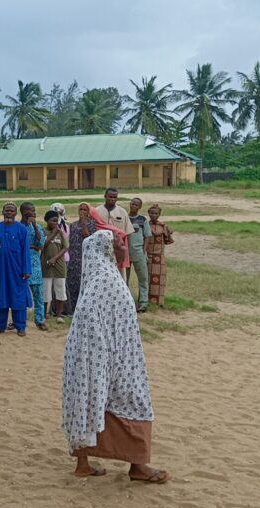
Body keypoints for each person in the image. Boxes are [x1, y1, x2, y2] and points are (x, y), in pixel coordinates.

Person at [62, 230, 170, 484]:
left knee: (91, 400)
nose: (125, 248)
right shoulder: (106, 282)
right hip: (113, 358)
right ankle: (138, 466)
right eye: (119, 244)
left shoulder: (102, 278)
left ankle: (84, 463)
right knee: (135, 401)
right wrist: (105, 362)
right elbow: (95, 327)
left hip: (103, 358)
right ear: (107, 250)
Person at [0, 202, 32, 337]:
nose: (9, 213)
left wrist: (26, 270)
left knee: (18, 297)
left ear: (15, 213)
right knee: (1, 295)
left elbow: (26, 250)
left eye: (11, 211)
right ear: (2, 212)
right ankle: (0, 325)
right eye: (7, 210)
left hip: (17, 269)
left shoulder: (21, 229)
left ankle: (20, 326)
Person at [19, 202, 48, 331]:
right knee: (20, 294)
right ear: (23, 212)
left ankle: (40, 320)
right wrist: (31, 246)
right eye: (29, 210)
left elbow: (41, 243)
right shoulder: (18, 226)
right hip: (21, 264)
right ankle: (19, 321)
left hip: (35, 265)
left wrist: (35, 225)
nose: (32, 213)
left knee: (38, 295)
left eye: (33, 210)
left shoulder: (37, 227)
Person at [66, 203, 99, 311]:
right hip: (74, 257)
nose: (82, 212)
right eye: (81, 209)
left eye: (85, 210)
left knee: (83, 281)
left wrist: (84, 224)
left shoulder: (92, 224)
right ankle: (72, 307)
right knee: (72, 281)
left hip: (85, 257)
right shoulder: (73, 225)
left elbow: (90, 238)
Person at [94, 188, 134, 275]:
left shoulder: (122, 212)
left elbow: (128, 232)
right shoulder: (97, 211)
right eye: (110, 197)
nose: (112, 199)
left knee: (119, 273)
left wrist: (127, 250)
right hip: (101, 248)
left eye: (115, 197)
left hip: (118, 248)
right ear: (105, 196)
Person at [42, 211, 70, 322]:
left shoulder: (61, 232)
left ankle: (59, 314)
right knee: (46, 290)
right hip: (46, 265)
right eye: (52, 220)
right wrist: (53, 233)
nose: (55, 223)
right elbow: (43, 245)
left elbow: (65, 247)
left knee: (60, 288)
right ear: (46, 220)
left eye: (56, 221)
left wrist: (55, 258)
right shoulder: (43, 231)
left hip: (59, 265)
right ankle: (45, 313)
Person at [145, 204, 175, 307]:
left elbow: (167, 240)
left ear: (159, 214)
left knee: (160, 279)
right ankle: (147, 300)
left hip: (159, 257)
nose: (154, 215)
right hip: (148, 256)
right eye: (152, 213)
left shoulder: (163, 226)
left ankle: (159, 302)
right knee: (147, 279)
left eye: (156, 213)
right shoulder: (145, 225)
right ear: (148, 213)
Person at [126, 198, 153, 312]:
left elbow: (147, 236)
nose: (133, 206)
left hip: (138, 253)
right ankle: (126, 301)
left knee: (143, 277)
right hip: (125, 253)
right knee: (124, 278)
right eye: (132, 204)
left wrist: (144, 250)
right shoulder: (124, 218)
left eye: (136, 205)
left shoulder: (143, 220)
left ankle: (143, 302)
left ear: (139, 207)